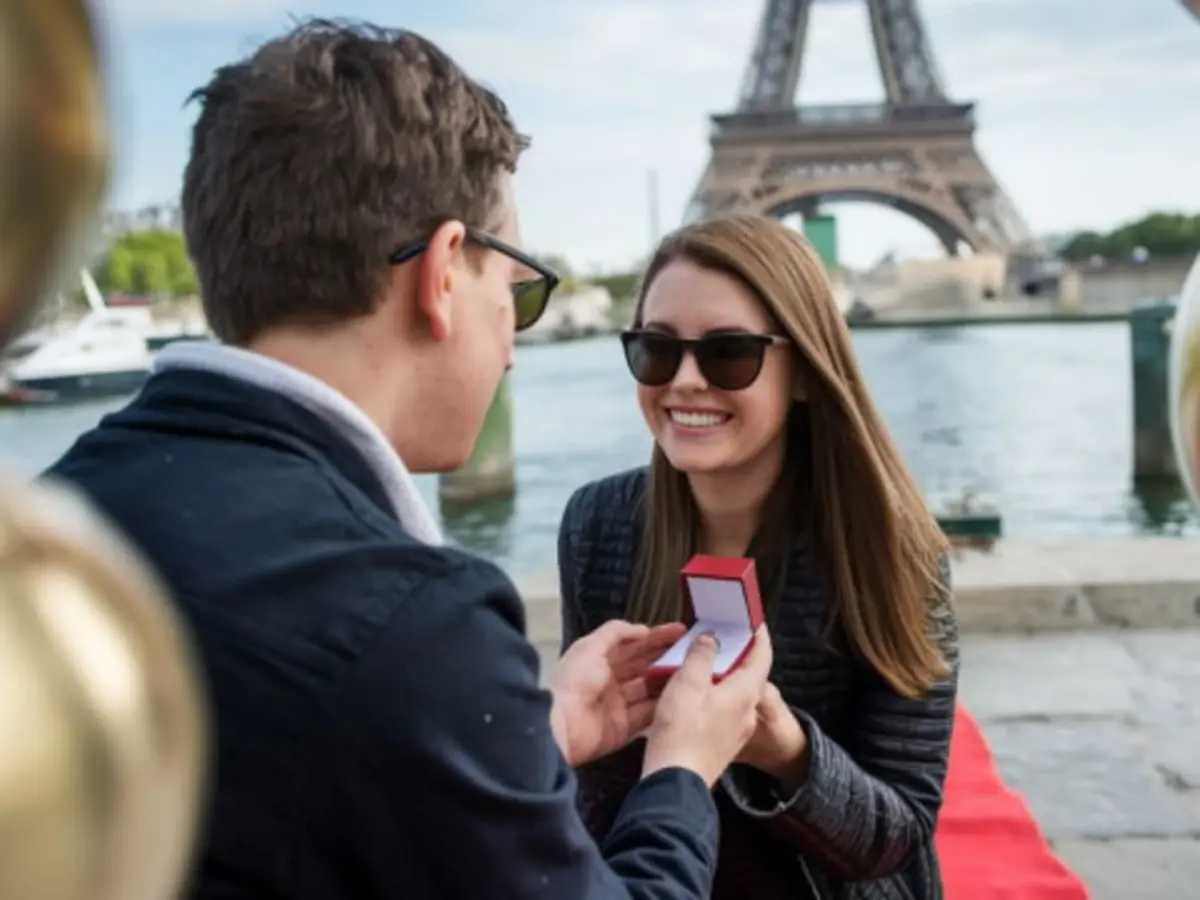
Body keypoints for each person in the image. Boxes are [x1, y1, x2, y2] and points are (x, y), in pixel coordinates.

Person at [41, 20, 775, 900]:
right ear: (442, 273)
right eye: (516, 293)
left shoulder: (57, 517)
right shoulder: (416, 623)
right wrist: (681, 773)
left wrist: (524, 738)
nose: (511, 347)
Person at [558, 214, 960, 900]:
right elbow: (591, 799)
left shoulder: (893, 550)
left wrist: (785, 750)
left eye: (729, 353)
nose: (684, 380)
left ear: (803, 371)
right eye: (656, 349)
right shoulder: (596, 526)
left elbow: (897, 835)